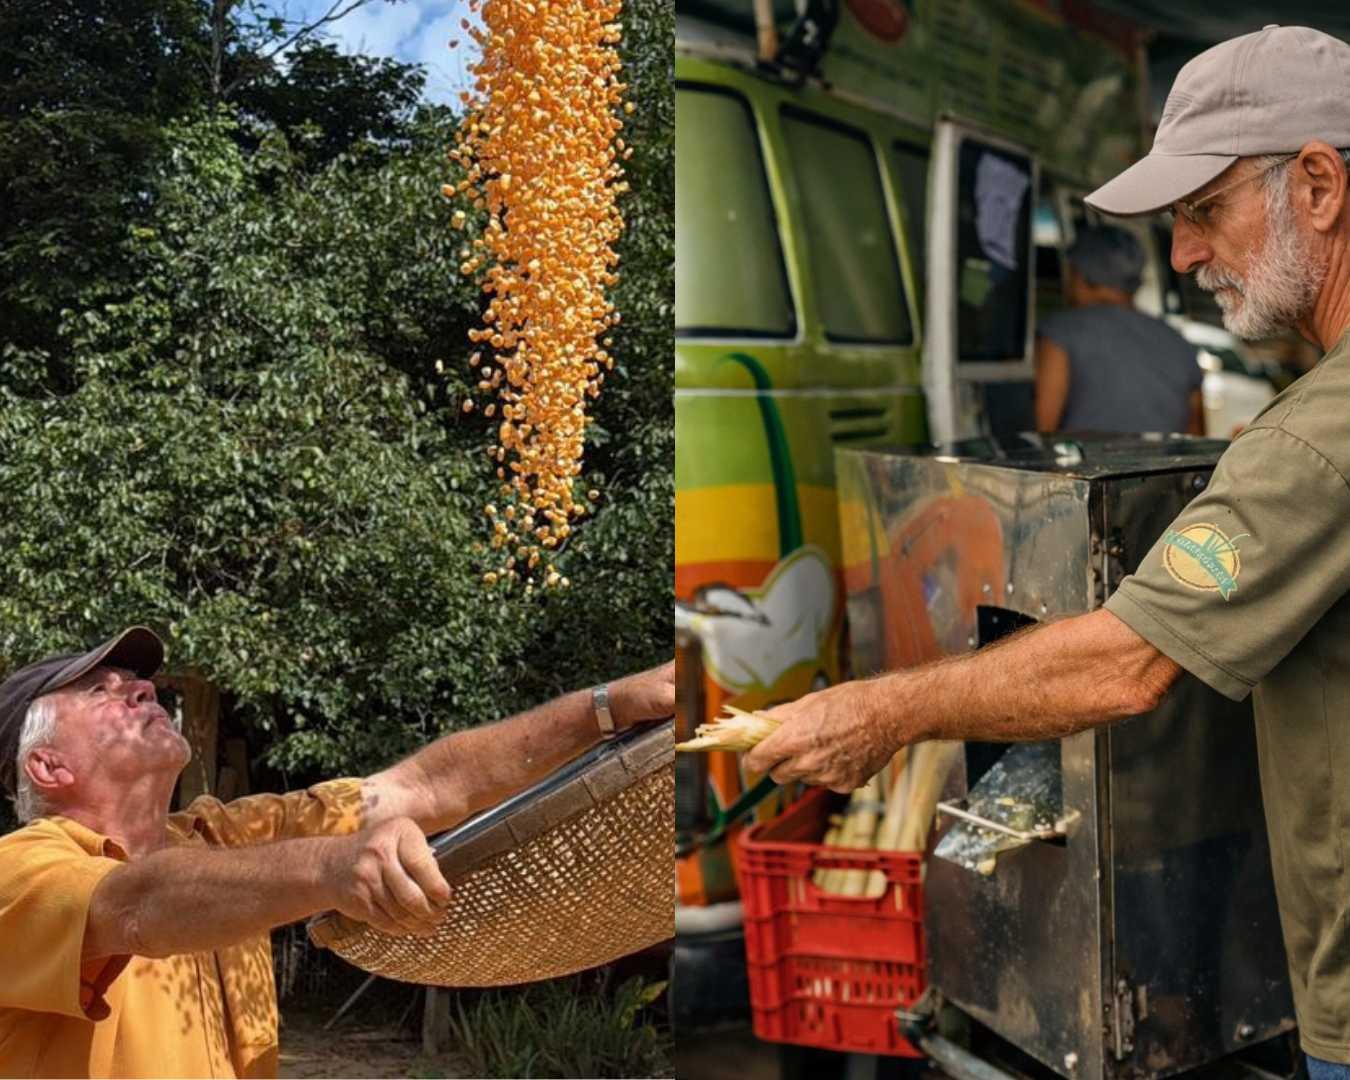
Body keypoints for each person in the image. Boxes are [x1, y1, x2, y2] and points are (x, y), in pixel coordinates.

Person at [743, 24, 1350, 1078]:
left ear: (1317, 185)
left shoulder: (1314, 439)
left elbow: (1125, 663)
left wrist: (874, 711)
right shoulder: (1302, 431)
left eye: (1204, 212)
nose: (1184, 255)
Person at [0, 625, 673, 1078]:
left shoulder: (219, 837)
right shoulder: (21, 872)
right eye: (101, 692)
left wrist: (605, 709)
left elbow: (425, 786)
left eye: (137, 681)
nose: (142, 688)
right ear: (49, 767)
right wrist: (330, 865)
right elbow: (136, 906)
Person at [1035, 225, 1204, 434]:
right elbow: (1195, 438)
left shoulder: (1061, 331)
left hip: (1089, 466)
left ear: (1084, 275)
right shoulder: (1178, 341)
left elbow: (1043, 430)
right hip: (1163, 465)